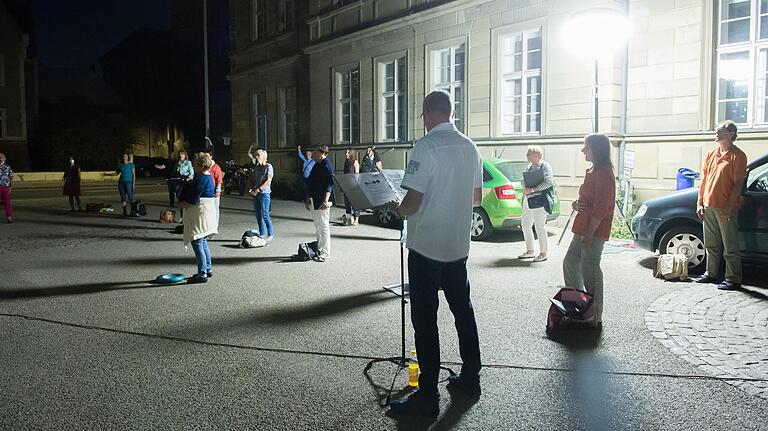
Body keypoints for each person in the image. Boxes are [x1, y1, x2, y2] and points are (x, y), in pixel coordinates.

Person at [388, 90, 483, 418]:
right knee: (463, 311)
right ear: (450, 112)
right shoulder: (470, 147)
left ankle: (427, 393)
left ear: (429, 112)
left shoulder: (425, 147)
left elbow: (412, 203)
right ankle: (471, 376)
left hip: (427, 248)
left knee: (425, 319)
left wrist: (397, 210)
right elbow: (476, 199)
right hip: (458, 248)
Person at [562, 133, 616, 327]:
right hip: (583, 227)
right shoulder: (593, 170)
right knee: (571, 262)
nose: (583, 150)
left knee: (591, 271)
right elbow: (589, 199)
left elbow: (602, 208)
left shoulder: (604, 173)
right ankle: (578, 305)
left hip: (592, 230)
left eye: (587, 147)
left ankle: (594, 316)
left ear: (597, 150)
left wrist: (589, 235)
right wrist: (577, 204)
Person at [695, 121, 748, 291]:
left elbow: (738, 184)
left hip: (725, 208)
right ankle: (710, 273)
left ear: (731, 134)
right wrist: (699, 203)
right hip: (708, 205)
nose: (716, 132)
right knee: (711, 243)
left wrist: (729, 207)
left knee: (729, 244)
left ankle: (733, 278)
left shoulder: (738, 156)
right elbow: (703, 180)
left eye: (720, 131)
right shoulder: (712, 154)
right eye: (716, 130)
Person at [179, 152, 218, 284]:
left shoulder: (202, 179)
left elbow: (193, 200)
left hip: (201, 215)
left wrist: (182, 204)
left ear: (201, 166)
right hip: (207, 214)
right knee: (203, 242)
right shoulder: (206, 177)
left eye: (195, 164)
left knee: (197, 242)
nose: (194, 167)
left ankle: (202, 273)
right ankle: (208, 268)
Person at [518, 145, 554, 262]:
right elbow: (523, 179)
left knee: (539, 227)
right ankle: (530, 251)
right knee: (526, 224)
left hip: (540, 201)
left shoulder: (545, 166)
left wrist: (533, 189)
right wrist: (525, 186)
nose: (526, 156)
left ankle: (543, 253)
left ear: (536, 155)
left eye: (528, 154)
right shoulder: (529, 166)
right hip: (528, 200)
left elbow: (548, 182)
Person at [305, 144, 334, 262]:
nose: (312, 153)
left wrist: (325, 200)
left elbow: (330, 183)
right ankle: (319, 248)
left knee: (324, 226)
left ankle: (325, 252)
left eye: (315, 151)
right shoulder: (317, 165)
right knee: (318, 226)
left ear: (322, 153)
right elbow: (310, 182)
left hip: (322, 201)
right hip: (314, 199)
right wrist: (308, 198)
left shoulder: (327, 165)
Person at [249, 149, 274, 243]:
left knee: (265, 215)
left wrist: (259, 189)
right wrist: (252, 188)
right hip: (256, 194)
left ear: (264, 157)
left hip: (264, 193)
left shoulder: (269, 167)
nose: (256, 157)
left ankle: (270, 234)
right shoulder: (256, 168)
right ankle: (262, 233)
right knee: (258, 215)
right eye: (255, 155)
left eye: (258, 155)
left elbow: (268, 180)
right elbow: (254, 180)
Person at [343, 148, 360, 226]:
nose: (346, 154)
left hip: (353, 184)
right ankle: (349, 219)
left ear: (351, 153)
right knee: (347, 203)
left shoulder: (355, 162)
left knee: (355, 202)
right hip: (346, 184)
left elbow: (357, 174)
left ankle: (356, 219)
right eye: (346, 152)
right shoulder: (346, 161)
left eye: (347, 152)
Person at [116, 152, 136, 217]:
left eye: (126, 156)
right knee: (123, 198)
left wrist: (133, 184)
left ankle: (132, 212)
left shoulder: (131, 164)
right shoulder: (120, 165)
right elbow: (117, 173)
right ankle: (124, 212)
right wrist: (107, 174)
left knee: (130, 197)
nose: (124, 158)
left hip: (129, 182)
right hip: (121, 183)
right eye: (123, 156)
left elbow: (133, 175)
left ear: (128, 157)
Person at [0, 153, 13, 223]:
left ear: (4, 159)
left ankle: (9, 217)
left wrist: (10, 186)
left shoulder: (8, 167)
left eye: (2, 157)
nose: (0, 158)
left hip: (5, 187)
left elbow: (11, 176)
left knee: (7, 202)